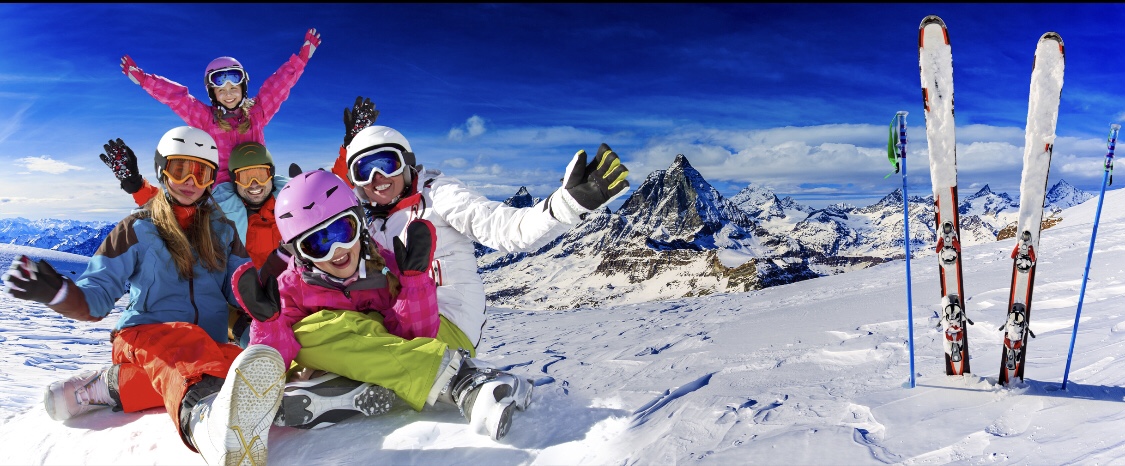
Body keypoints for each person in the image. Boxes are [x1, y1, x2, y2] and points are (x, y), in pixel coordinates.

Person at [1, 127, 286, 465]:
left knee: (234, 364)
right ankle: (205, 423)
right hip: (144, 336)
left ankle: (108, 387)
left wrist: (264, 293)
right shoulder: (137, 228)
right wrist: (61, 293)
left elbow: (239, 286)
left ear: (211, 179)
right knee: (189, 346)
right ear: (162, 170)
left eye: (202, 172)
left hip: (201, 349)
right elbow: (96, 300)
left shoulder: (222, 231)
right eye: (180, 169)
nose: (190, 181)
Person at [235, 169, 534, 439]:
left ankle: (456, 379)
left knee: (318, 331)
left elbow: (416, 338)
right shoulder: (291, 288)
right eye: (317, 244)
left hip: (395, 349)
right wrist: (268, 324)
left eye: (343, 231)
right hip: (352, 357)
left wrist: (414, 284)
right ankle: (361, 381)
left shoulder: (385, 269)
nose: (336, 250)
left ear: (360, 225)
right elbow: (273, 363)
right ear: (301, 255)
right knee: (303, 335)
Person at [336, 123, 630, 356]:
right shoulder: (371, 223)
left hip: (446, 323)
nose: (376, 177)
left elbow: (504, 227)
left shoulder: (439, 195)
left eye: (386, 163)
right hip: (401, 321)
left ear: (406, 163)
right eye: (364, 170)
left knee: (351, 339)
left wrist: (564, 205)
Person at [101, 140, 290, 346]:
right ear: (235, 180)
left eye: (260, 175)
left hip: (285, 294)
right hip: (238, 302)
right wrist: (137, 186)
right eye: (245, 177)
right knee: (262, 340)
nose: (254, 184)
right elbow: (172, 209)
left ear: (271, 174)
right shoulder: (219, 212)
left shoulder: (291, 208)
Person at [119, 28, 320, 184]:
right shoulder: (207, 120)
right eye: (221, 91)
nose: (228, 94)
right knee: (232, 214)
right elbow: (179, 99)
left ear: (243, 88)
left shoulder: (257, 114)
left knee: (284, 193)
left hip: (260, 177)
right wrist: (146, 81)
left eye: (233, 88)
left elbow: (277, 87)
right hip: (226, 186)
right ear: (213, 95)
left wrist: (301, 59)